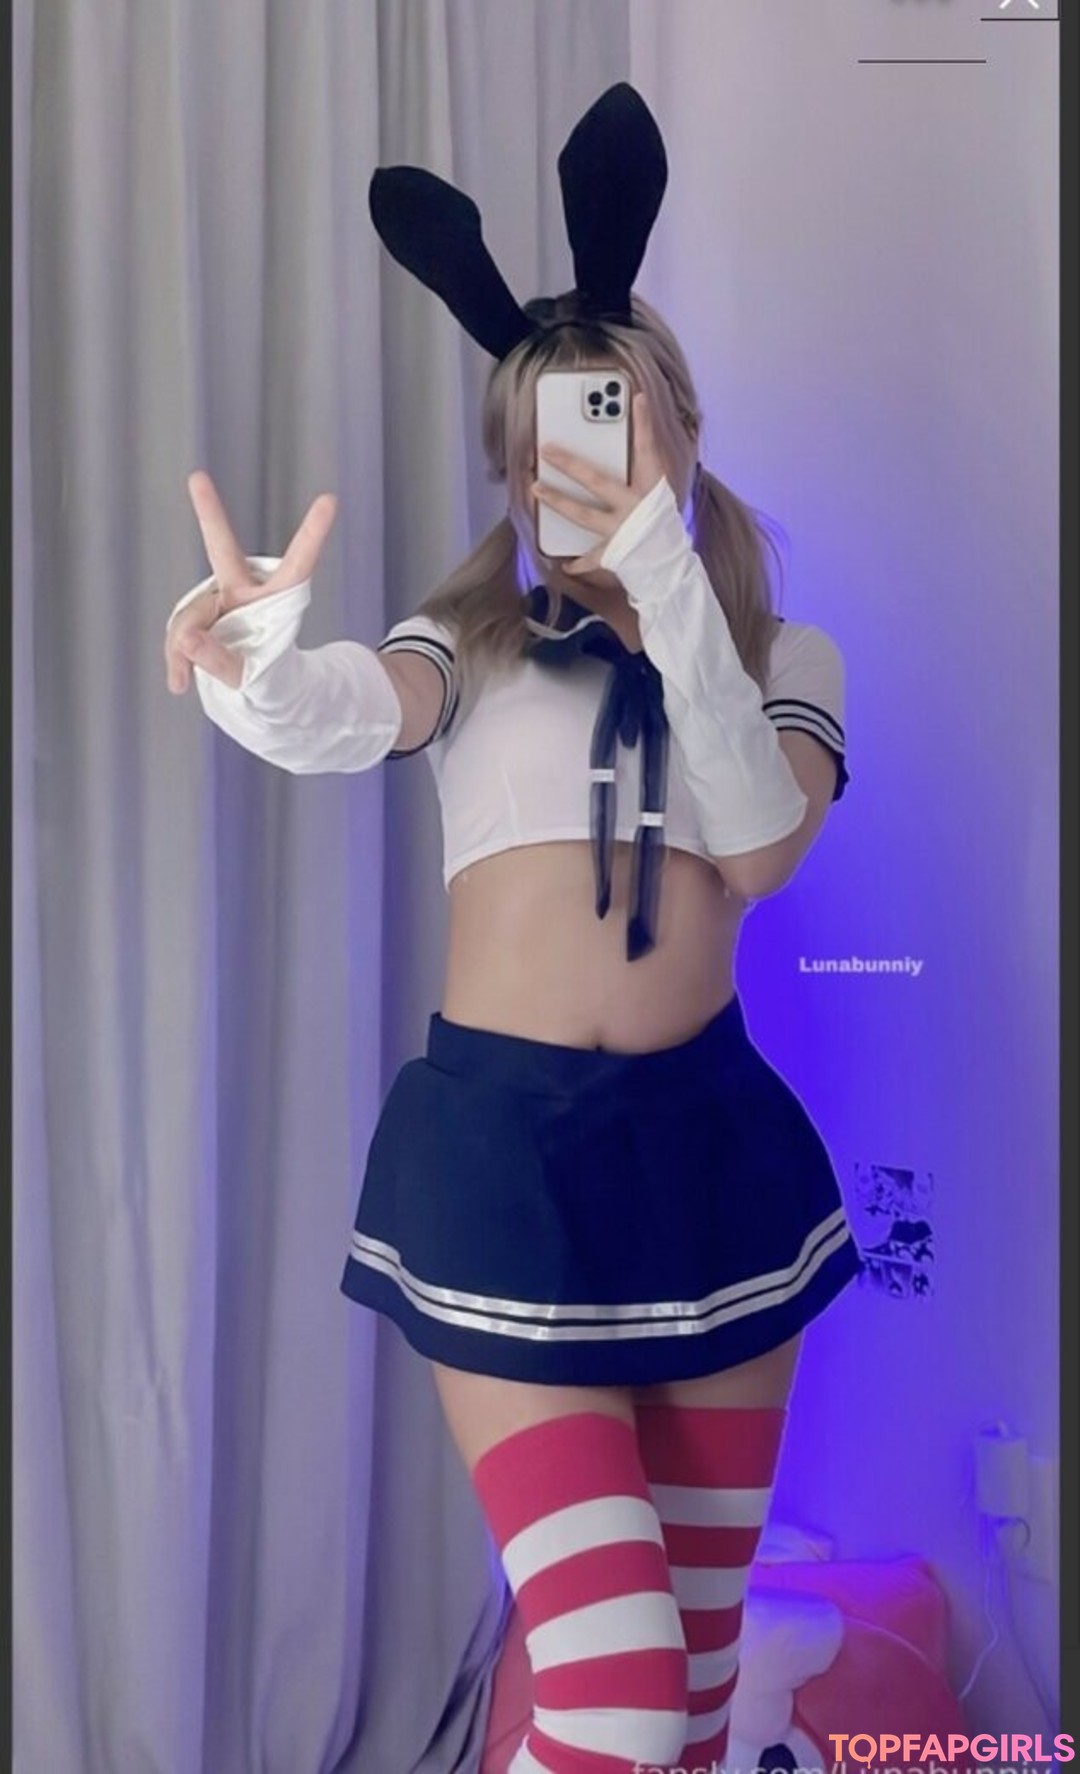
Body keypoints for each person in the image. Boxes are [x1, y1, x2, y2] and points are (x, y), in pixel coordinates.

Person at [163, 84, 861, 1774]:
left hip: (711, 1160)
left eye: (608, 415)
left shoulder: (785, 654)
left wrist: (667, 581)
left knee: (695, 1697)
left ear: (672, 418)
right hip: (503, 1165)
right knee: (615, 1691)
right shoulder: (468, 636)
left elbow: (760, 846)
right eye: (540, 434)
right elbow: (344, 710)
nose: (575, 461)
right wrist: (252, 666)